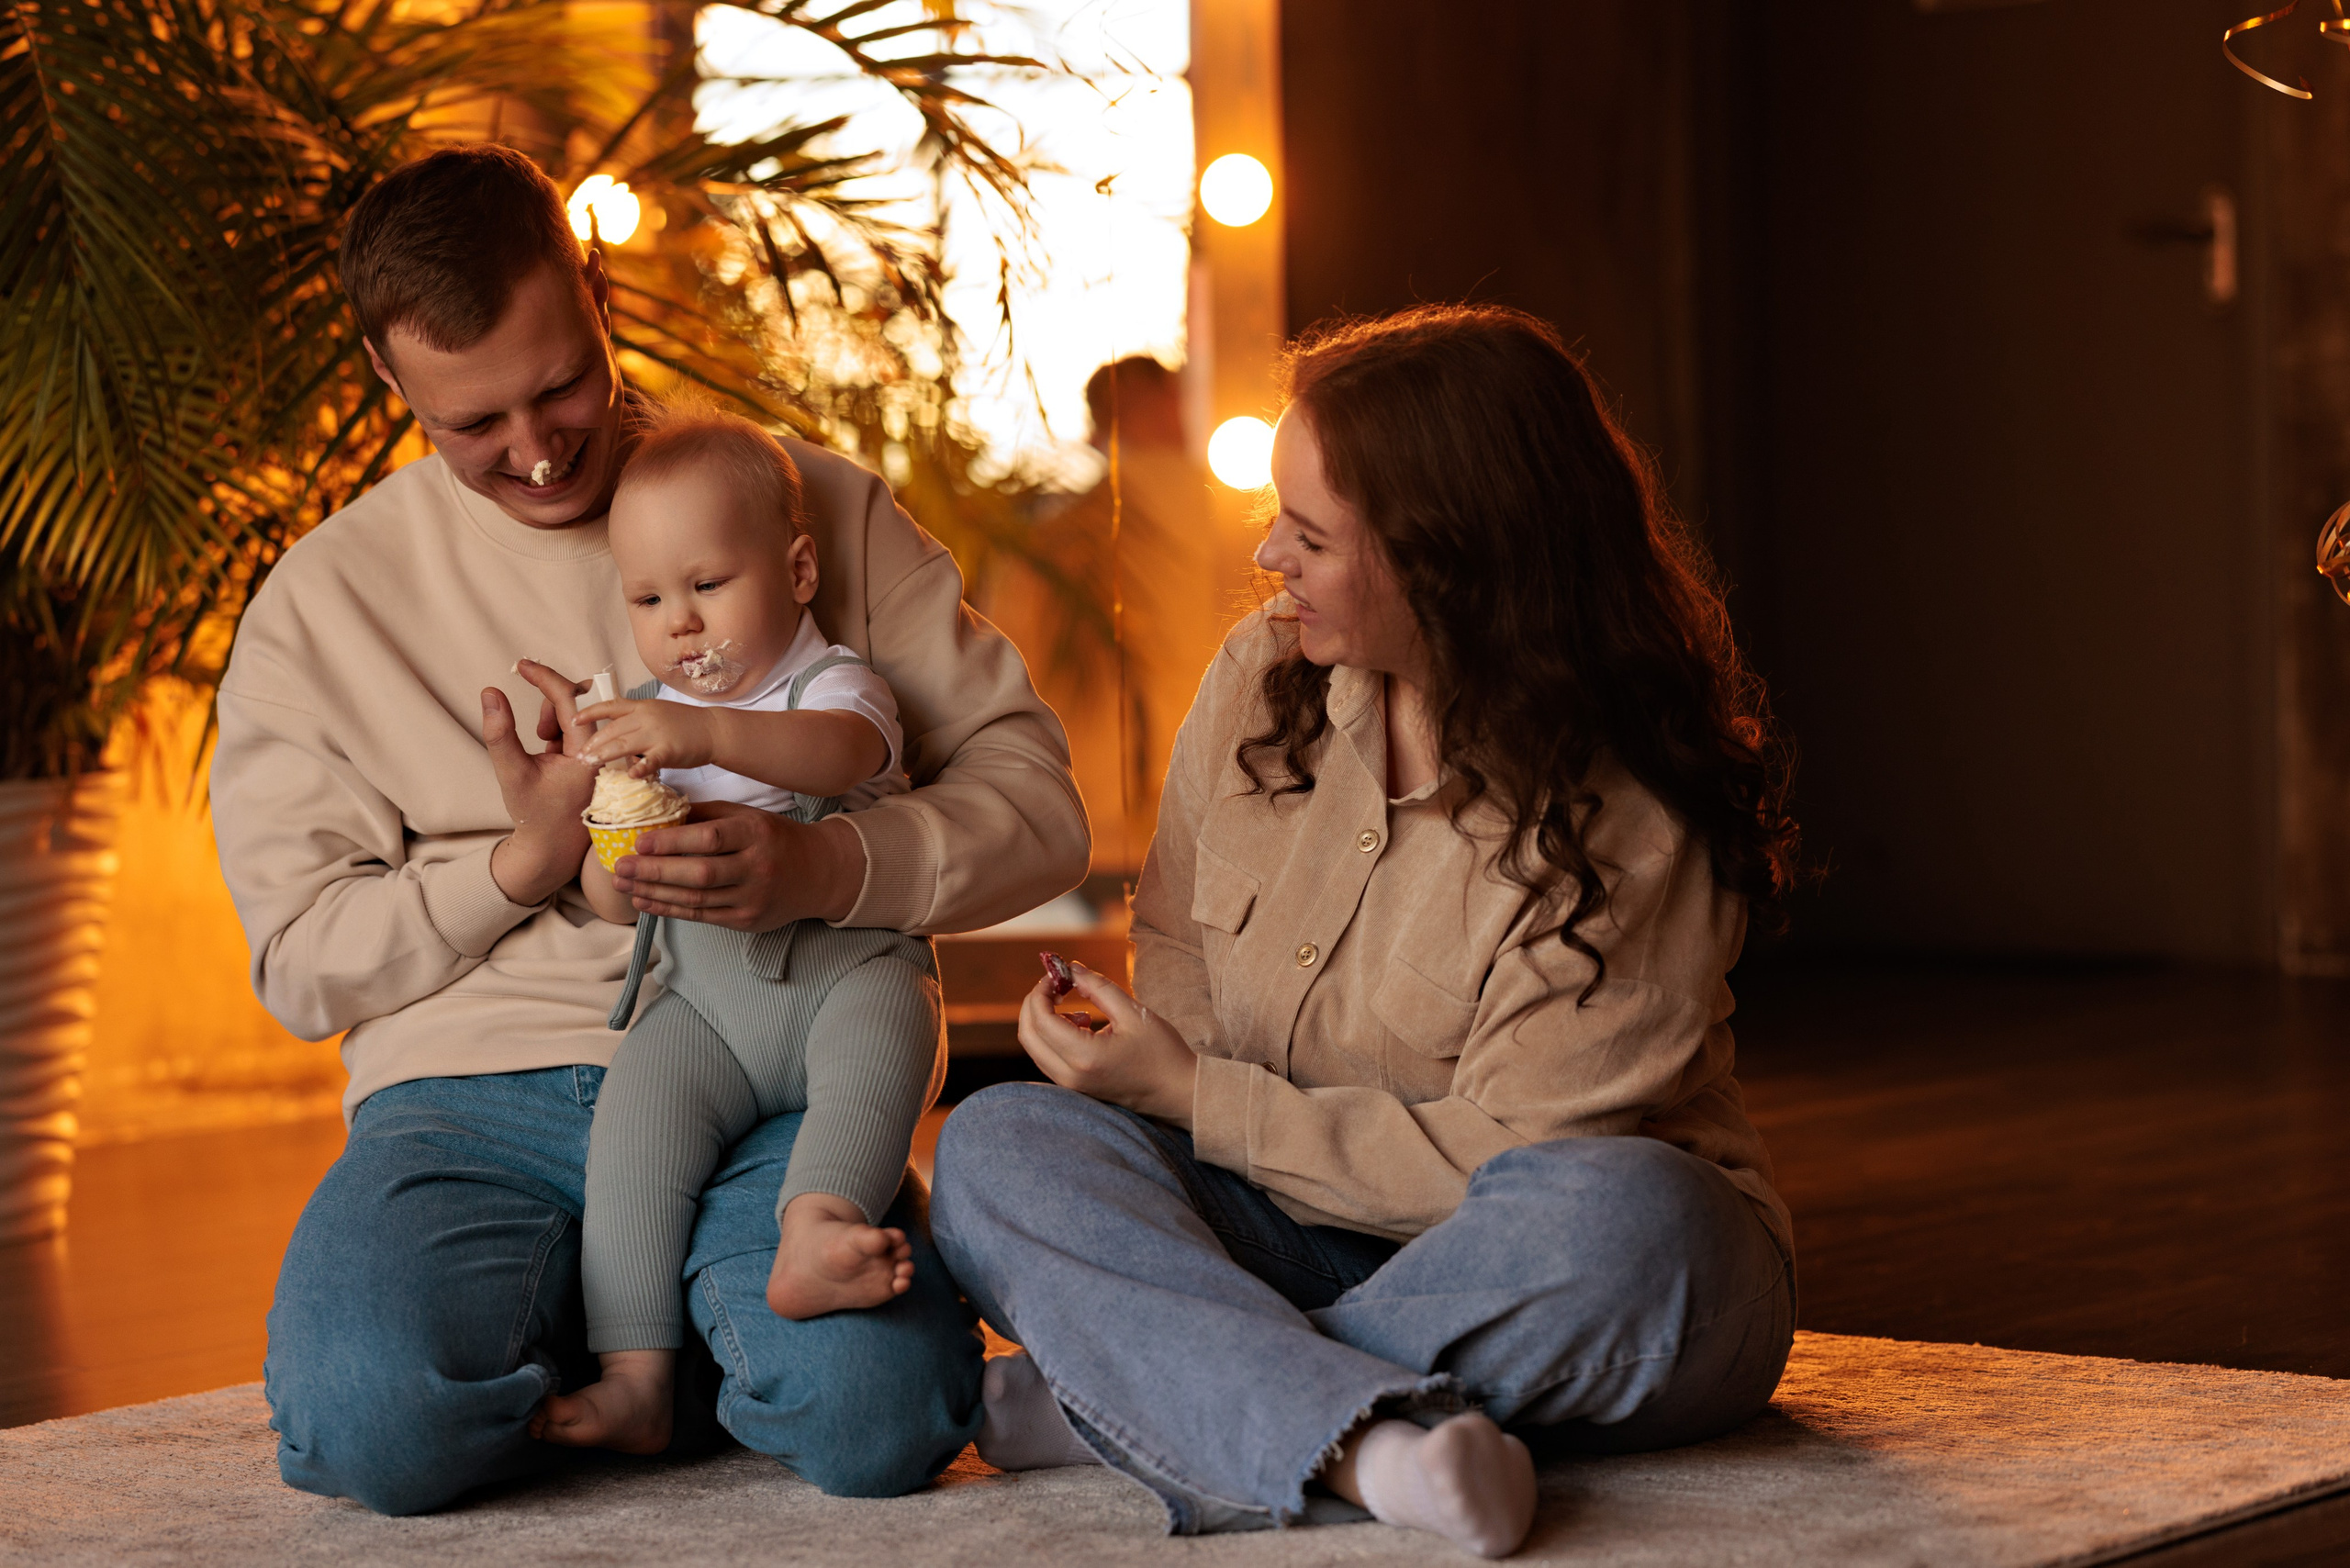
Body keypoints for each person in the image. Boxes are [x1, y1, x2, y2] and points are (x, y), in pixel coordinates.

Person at [211, 145, 1089, 1516]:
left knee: (882, 1420)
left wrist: (827, 866)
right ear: (395, 389)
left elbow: (1042, 815)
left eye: (562, 383)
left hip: (767, 1076)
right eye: (476, 424)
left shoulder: (811, 511)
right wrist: (524, 864)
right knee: (373, 1425)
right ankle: (630, 1327)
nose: (543, 448)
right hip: (465, 1105)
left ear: (597, 290)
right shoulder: (320, 610)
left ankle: (623, 1329)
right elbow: (302, 967)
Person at [929, 304, 1800, 1560]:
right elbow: (1176, 961)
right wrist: (1142, 1064)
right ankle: (1362, 1439)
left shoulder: (1634, 820)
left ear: (1449, 564)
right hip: (1282, 1230)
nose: (1269, 552)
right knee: (1007, 1139)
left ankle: (1149, 1396)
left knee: (1632, 1224)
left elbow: (1503, 1164)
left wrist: (1193, 1095)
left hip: (1519, 1260)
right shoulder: (1257, 678)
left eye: (1315, 535)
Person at [522, 409, 949, 1454]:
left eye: (708, 585)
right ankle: (635, 1373)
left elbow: (840, 755)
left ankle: (817, 1222)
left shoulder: (835, 687)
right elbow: (615, 899)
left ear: (798, 570)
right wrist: (600, 810)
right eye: (650, 599)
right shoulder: (644, 722)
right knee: (631, 1129)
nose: (681, 624)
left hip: (845, 978)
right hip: (708, 1006)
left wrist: (702, 733)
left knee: (882, 1047)